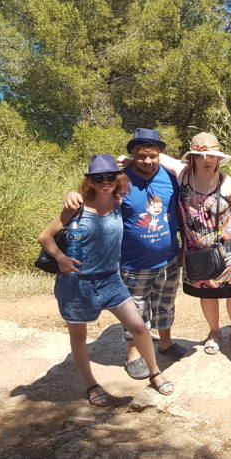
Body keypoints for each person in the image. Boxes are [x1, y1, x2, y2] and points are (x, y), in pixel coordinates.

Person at [40, 154, 174, 406]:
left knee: (139, 327)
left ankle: (155, 373)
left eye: (110, 177)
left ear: (117, 178)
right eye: (98, 177)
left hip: (111, 280)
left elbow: (142, 169)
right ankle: (91, 384)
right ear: (89, 180)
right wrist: (60, 258)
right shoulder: (76, 206)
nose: (105, 182)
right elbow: (45, 236)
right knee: (79, 337)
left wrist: (132, 160)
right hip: (77, 283)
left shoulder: (119, 201)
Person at [65, 128, 188, 381]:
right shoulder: (120, 180)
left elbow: (178, 213)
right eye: (141, 156)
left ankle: (165, 342)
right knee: (136, 309)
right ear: (133, 155)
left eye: (152, 156)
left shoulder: (170, 178)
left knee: (165, 303)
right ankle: (133, 353)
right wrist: (73, 195)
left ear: (160, 155)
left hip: (169, 257)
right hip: (133, 261)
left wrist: (184, 246)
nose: (147, 161)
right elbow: (93, 195)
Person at [153, 132, 231, 356]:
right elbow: (158, 156)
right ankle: (214, 332)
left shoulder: (228, 183)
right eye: (201, 156)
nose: (207, 160)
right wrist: (130, 160)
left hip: (228, 249)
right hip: (197, 249)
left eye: (212, 156)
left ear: (218, 158)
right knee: (207, 293)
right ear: (193, 158)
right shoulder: (184, 176)